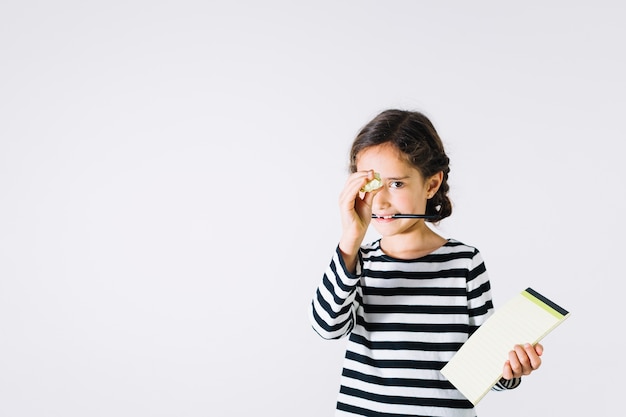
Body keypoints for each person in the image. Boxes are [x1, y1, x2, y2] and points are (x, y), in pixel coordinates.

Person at [309, 109, 543, 416]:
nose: (380, 201)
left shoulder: (465, 263)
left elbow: (485, 367)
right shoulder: (357, 262)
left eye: (396, 184)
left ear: (431, 185)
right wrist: (351, 239)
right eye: (371, 185)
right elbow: (327, 326)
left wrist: (511, 369)